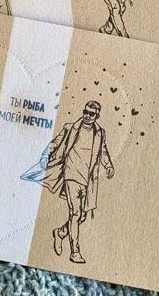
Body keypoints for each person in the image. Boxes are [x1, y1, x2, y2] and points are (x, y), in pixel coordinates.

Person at [21, 101, 114, 263]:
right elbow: (55, 143)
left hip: (89, 180)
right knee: (75, 213)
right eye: (85, 112)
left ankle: (61, 232)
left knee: (82, 215)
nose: (87, 116)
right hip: (71, 175)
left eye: (91, 114)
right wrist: (45, 155)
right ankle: (75, 252)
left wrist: (108, 165)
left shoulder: (100, 133)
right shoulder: (70, 128)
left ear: (97, 116)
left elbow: (103, 151)